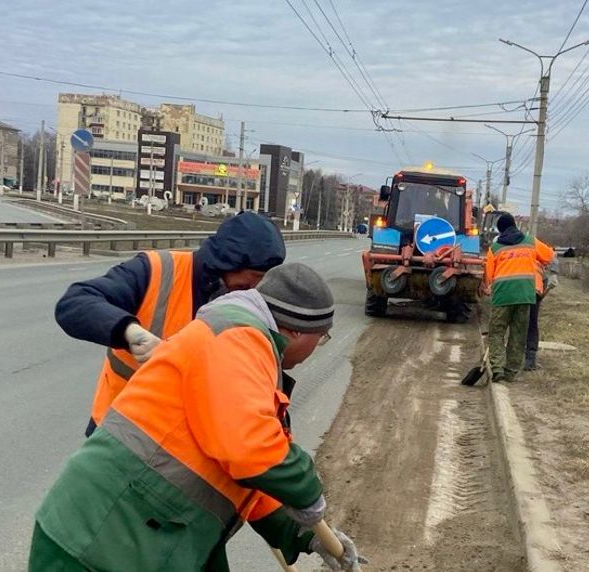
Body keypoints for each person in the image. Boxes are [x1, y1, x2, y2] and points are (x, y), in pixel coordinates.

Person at [29, 263, 365, 571]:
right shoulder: (239, 337)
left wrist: (305, 534)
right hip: (100, 538)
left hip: (147, 532)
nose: (317, 347)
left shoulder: (244, 343)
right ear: (295, 331)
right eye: (322, 339)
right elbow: (250, 447)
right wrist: (308, 491)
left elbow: (247, 476)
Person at [55, 212, 286, 437]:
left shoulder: (251, 301)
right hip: (119, 436)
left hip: (181, 449)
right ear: (228, 261)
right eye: (255, 275)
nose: (258, 286)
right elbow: (75, 303)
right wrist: (130, 332)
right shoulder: (156, 270)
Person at [483, 213, 554, 382]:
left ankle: (497, 368)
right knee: (518, 334)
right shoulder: (531, 242)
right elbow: (549, 256)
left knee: (496, 333)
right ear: (515, 225)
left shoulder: (495, 249)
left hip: (502, 297)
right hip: (525, 296)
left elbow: (488, 276)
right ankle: (511, 372)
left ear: (500, 231)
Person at [524, 257, 559, 371]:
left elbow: (552, 256)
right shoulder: (532, 242)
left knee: (518, 323)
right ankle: (528, 360)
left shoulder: (500, 242)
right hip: (532, 288)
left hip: (515, 288)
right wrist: (553, 274)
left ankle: (517, 360)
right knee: (530, 323)